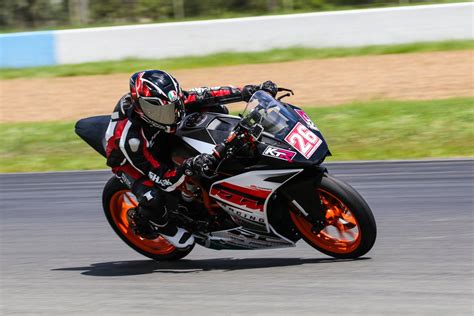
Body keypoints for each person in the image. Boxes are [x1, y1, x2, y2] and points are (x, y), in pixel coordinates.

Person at [105, 69, 278, 249]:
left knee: (215, 108)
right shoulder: (131, 139)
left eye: (173, 107)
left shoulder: (170, 104)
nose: (171, 114)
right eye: (163, 112)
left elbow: (209, 94)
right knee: (153, 197)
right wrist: (188, 167)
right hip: (130, 162)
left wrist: (250, 91)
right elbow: (163, 178)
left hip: (161, 136)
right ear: (143, 110)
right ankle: (162, 226)